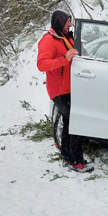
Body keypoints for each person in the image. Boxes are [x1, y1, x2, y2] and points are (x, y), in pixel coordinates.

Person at [36, 10, 94, 173]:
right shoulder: (48, 40)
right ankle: (76, 161)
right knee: (75, 122)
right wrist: (64, 59)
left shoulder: (68, 38)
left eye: (70, 21)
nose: (70, 24)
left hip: (72, 87)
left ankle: (68, 157)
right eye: (67, 21)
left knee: (70, 122)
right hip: (59, 90)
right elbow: (42, 64)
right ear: (59, 23)